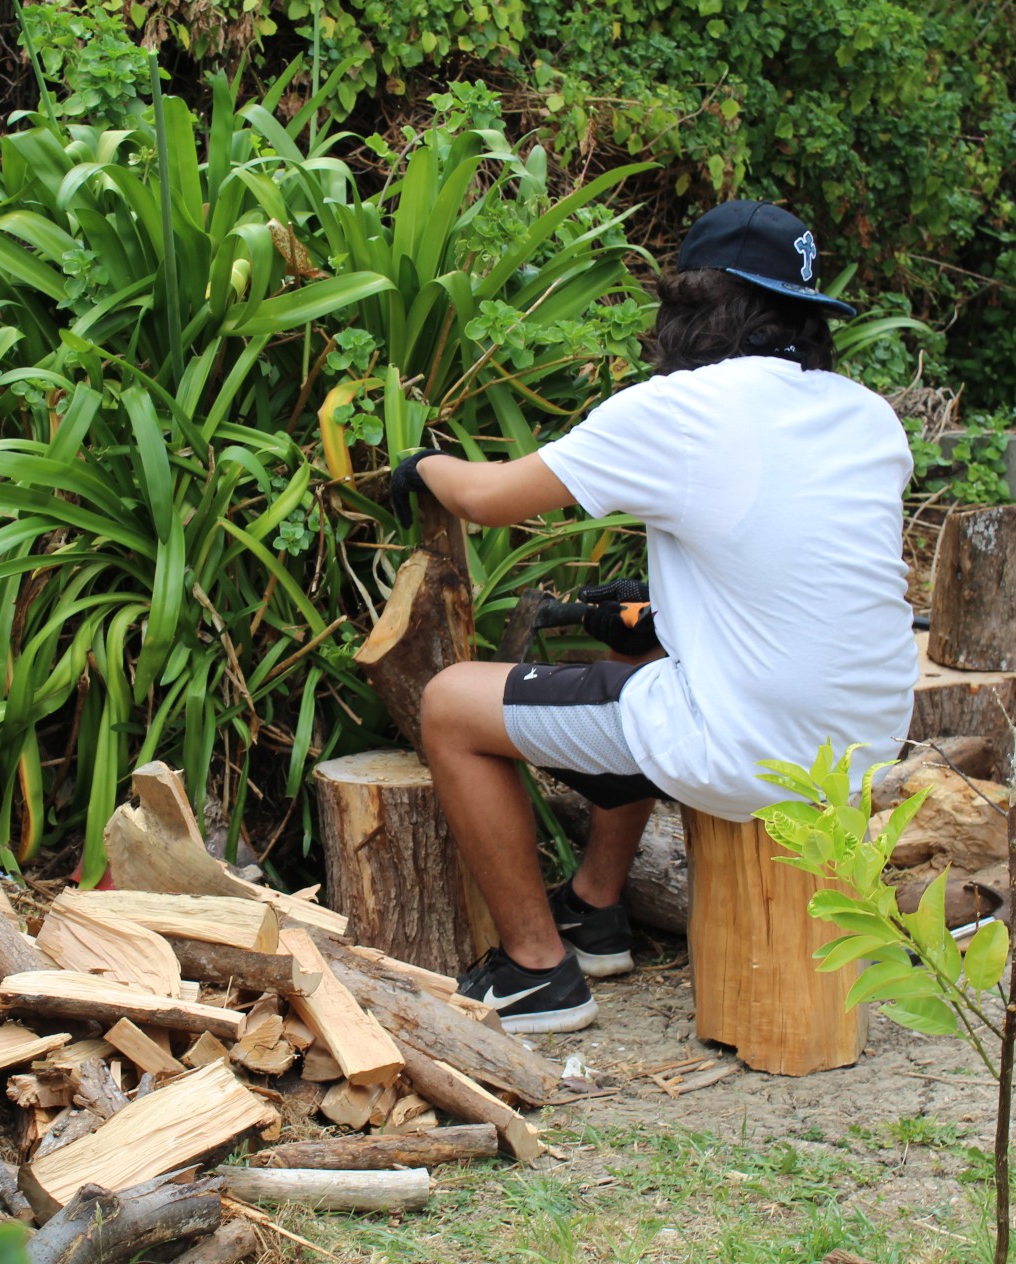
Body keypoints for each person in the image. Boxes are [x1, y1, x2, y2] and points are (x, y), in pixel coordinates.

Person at [389, 200, 917, 1035]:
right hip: (861, 740)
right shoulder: (867, 415)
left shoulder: (680, 409)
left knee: (451, 703)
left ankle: (535, 972)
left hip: (754, 745)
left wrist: (426, 464)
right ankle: (596, 909)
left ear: (693, 304)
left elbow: (490, 501)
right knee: (640, 658)